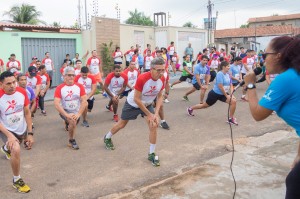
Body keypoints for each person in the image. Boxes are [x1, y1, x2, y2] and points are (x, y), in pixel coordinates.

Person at [243, 35, 300, 199]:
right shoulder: (294, 74)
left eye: (264, 55)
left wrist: (250, 84)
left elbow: (258, 114)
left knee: (294, 184)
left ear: (278, 55)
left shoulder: (285, 79)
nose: (263, 60)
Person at [103, 57, 166, 167]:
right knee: (122, 124)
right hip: (133, 103)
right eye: (158, 70)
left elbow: (160, 96)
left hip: (147, 103)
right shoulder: (142, 78)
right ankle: (107, 137)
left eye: (163, 70)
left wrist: (155, 114)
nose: (161, 73)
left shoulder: (162, 79)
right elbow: (137, 98)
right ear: (151, 69)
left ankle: (151, 153)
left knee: (154, 125)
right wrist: (149, 114)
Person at [0, 71, 33, 193]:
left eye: (14, 82)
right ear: (1, 84)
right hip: (6, 129)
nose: (12, 85)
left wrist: (30, 133)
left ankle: (5, 148)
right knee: (16, 149)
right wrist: (9, 135)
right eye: (8, 83)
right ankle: (17, 180)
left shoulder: (22, 92)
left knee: (15, 145)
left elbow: (27, 112)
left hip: (21, 127)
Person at [187, 61, 238, 125]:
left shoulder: (228, 74)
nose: (229, 67)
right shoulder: (219, 74)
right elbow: (220, 86)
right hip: (215, 94)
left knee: (233, 101)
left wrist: (231, 93)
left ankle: (230, 118)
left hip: (223, 93)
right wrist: (227, 95)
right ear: (223, 67)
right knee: (204, 106)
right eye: (228, 66)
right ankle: (190, 108)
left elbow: (230, 84)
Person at [54, 67, 87, 150]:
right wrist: (66, 115)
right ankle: (71, 140)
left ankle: (67, 123)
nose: (71, 77)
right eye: (69, 75)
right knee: (72, 122)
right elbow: (57, 104)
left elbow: (84, 101)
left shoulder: (79, 86)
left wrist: (79, 114)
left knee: (73, 123)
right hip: (65, 111)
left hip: (76, 111)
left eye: (73, 75)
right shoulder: (60, 88)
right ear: (64, 76)